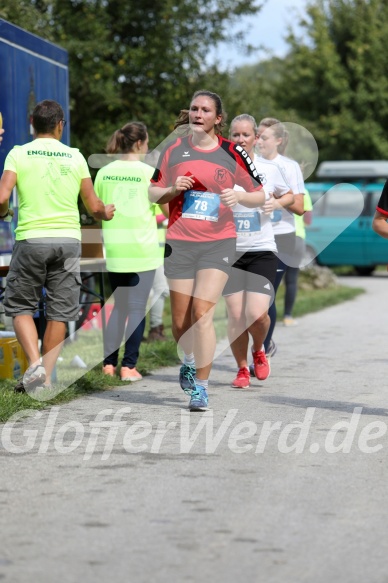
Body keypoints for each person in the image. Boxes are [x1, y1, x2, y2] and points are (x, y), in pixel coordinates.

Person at [149, 90, 265, 411]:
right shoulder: (174, 148)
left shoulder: (233, 151)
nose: (198, 114)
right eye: (194, 109)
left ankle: (201, 387)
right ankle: (187, 358)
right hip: (180, 243)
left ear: (218, 119)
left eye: (205, 110)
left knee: (203, 314)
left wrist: (239, 197)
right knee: (180, 322)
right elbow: (152, 192)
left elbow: (259, 194)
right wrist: (172, 189)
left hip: (219, 242)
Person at [0, 99, 115, 393]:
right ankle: (45, 380)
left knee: (19, 305)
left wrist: (4, 213)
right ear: (60, 125)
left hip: (32, 240)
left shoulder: (18, 154)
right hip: (67, 241)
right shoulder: (75, 157)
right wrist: (106, 212)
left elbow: (2, 197)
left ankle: (35, 364)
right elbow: (93, 206)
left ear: (32, 124)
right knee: (60, 311)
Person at [224, 114, 294, 388]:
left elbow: (290, 196)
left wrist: (277, 204)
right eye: (235, 135)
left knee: (256, 314)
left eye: (245, 135)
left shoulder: (268, 168)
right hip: (229, 251)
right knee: (235, 315)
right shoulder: (222, 168)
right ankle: (242, 369)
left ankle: (259, 349)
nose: (241, 140)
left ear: (256, 137)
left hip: (262, 248)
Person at [95, 121, 164, 381]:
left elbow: (100, 207)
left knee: (120, 307)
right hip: (141, 249)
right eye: (146, 143)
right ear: (139, 143)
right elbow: (164, 211)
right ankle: (129, 367)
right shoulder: (150, 173)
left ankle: (108, 365)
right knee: (136, 308)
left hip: (114, 248)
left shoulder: (104, 173)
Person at [256, 117, 305, 358]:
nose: (258, 141)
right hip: (251, 237)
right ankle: (258, 346)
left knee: (266, 295)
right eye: (258, 135)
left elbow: (300, 207)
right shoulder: (248, 164)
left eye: (264, 137)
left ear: (278, 140)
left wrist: (276, 199)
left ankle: (262, 349)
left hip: (281, 237)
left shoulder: (289, 166)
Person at [283, 187, 313, 326]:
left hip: (279, 237)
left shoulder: (277, 187)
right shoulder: (303, 191)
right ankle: (287, 316)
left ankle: (265, 315)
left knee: (272, 278)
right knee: (291, 279)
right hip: (298, 238)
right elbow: (308, 220)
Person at [146, 208, 170, 342]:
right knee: (161, 289)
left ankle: (155, 329)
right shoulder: (149, 188)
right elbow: (146, 217)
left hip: (156, 250)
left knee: (158, 290)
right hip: (150, 249)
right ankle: (155, 329)